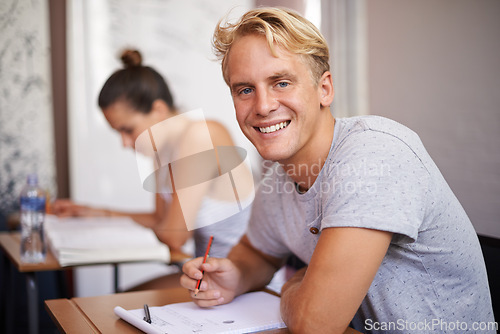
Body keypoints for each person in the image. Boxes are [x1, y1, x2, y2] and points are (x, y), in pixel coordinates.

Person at [180, 7, 495, 333]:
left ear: (324, 89)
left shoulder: (373, 154)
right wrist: (236, 276)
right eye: (245, 89)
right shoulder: (279, 179)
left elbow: (314, 324)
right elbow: (257, 251)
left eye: (282, 82)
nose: (262, 106)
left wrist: (291, 286)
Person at [53, 49, 254, 289]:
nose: (125, 143)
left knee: (117, 306)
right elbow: (161, 220)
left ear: (158, 110)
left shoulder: (201, 135)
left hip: (244, 281)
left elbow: (175, 237)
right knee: (118, 303)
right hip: (205, 275)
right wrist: (91, 212)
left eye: (128, 130)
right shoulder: (162, 152)